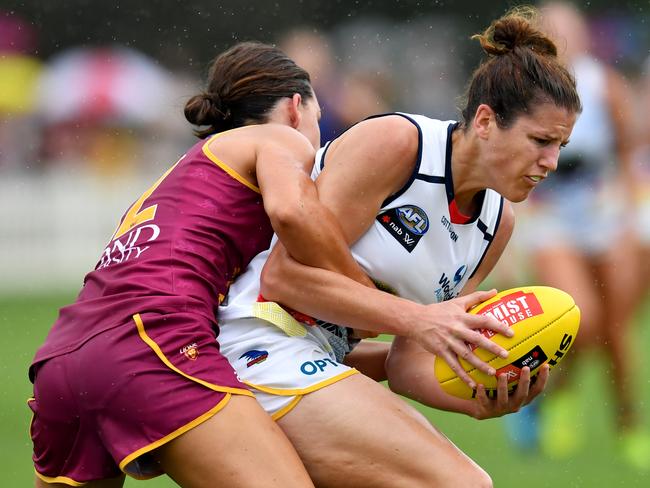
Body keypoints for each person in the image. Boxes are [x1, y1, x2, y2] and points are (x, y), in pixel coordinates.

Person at [216, 7, 580, 487]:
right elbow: (283, 278)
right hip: (256, 341)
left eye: (561, 146)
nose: (551, 162)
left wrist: (480, 395)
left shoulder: (497, 225)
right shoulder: (399, 145)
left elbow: (407, 363)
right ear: (487, 121)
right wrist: (417, 318)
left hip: (321, 360)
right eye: (540, 141)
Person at [27, 41, 364, 488]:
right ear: (295, 108)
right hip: (149, 344)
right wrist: (364, 294)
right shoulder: (279, 137)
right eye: (319, 119)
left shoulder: (184, 173)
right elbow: (293, 212)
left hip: (63, 363)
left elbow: (273, 344)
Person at [505, 2, 649, 467]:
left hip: (605, 218)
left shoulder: (603, 84)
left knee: (615, 332)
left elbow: (630, 151)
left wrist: (629, 209)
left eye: (571, 30)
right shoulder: (524, 89)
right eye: (554, 31)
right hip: (551, 220)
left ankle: (629, 423)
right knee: (582, 321)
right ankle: (555, 395)